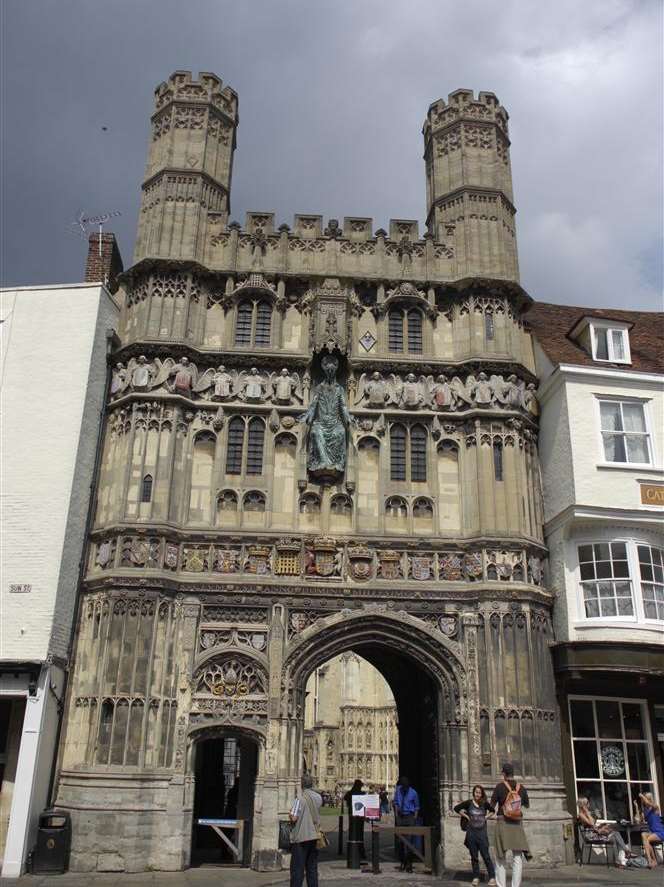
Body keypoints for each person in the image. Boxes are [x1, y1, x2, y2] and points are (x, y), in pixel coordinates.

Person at [490, 763, 529, 887]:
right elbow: (526, 805)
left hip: (503, 822)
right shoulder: (521, 788)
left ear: (504, 774)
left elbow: (491, 806)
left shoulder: (499, 787)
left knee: (500, 856)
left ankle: (501, 885)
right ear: (513, 773)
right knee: (517, 857)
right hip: (517, 823)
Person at [454, 785, 497, 886]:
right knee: (474, 857)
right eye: (476, 792)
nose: (478, 794)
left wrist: (486, 817)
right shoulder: (468, 803)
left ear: (482, 794)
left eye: (479, 793)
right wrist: (466, 816)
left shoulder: (484, 804)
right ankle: (476, 877)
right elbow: (456, 808)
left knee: (486, 856)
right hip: (471, 834)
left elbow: (493, 811)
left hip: (482, 834)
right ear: (473, 793)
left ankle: (492, 877)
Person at [577, 797, 634, 868]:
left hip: (595, 833)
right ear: (584, 805)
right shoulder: (581, 815)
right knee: (615, 834)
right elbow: (591, 823)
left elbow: (593, 823)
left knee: (615, 835)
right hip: (590, 836)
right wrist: (587, 813)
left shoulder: (587, 813)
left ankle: (620, 861)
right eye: (587, 803)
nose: (589, 804)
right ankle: (625, 853)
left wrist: (601, 827)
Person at [289, 774, 322, 887]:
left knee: (297, 869)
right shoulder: (319, 798)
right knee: (312, 868)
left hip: (301, 838)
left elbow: (293, 817)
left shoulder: (300, 798)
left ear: (302, 784)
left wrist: (290, 812)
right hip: (314, 836)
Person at [393, 775, 420, 873]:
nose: (403, 788)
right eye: (402, 786)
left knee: (409, 842)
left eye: (405, 786)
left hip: (409, 817)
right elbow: (395, 803)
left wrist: (414, 819)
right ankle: (402, 862)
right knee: (400, 842)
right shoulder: (398, 791)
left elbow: (417, 807)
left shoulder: (413, 793)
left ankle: (409, 864)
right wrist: (396, 816)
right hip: (400, 817)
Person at [639, 792, 664, 869]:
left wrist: (642, 796)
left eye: (648, 798)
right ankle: (652, 860)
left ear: (650, 799)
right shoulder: (645, 810)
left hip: (660, 832)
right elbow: (639, 820)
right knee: (643, 834)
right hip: (653, 832)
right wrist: (636, 807)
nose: (645, 800)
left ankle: (651, 861)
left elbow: (648, 803)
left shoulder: (655, 807)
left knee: (647, 839)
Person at [343, 778, 366, 860]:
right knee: (359, 834)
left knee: (353, 833)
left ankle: (353, 851)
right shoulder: (361, 793)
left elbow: (345, 798)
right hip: (358, 816)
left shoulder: (350, 793)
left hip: (353, 815)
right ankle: (360, 851)